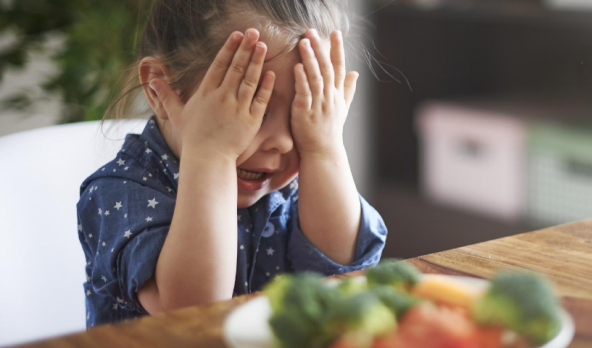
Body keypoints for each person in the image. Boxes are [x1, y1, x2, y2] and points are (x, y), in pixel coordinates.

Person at [76, 0, 386, 327]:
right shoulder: (120, 192)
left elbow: (346, 269)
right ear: (160, 90)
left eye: (302, 116)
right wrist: (211, 155)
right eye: (252, 109)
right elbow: (193, 310)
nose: (283, 141)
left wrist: (323, 148)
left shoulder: (296, 177)